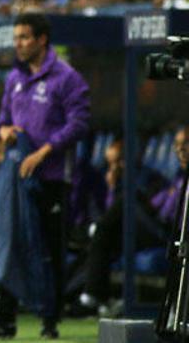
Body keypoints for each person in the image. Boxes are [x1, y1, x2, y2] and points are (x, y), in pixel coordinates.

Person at [0, 13, 90, 340]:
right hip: (16, 175)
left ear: (41, 40)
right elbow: (2, 120)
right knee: (7, 240)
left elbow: (79, 124)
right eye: (16, 37)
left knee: (49, 248)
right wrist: (5, 130)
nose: (19, 44)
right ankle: (4, 320)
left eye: (25, 37)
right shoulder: (14, 78)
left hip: (52, 178)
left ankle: (50, 320)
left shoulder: (67, 78)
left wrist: (44, 151)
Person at [71, 128, 188, 315]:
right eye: (177, 145)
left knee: (126, 201)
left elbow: (169, 215)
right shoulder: (178, 177)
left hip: (168, 233)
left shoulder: (149, 177)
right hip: (152, 224)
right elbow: (153, 205)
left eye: (186, 144)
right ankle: (94, 297)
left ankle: (92, 294)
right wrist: (112, 188)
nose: (180, 149)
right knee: (106, 239)